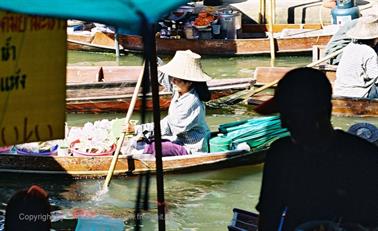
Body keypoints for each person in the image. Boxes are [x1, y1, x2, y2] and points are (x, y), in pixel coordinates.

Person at [254, 67, 378, 230]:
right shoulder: (280, 154)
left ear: (321, 113)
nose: (284, 124)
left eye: (291, 116)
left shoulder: (366, 158)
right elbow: (268, 218)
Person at [125, 50, 212, 156]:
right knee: (140, 141)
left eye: (177, 79)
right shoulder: (180, 89)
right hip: (178, 139)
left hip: (191, 147)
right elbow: (163, 76)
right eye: (173, 78)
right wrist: (153, 60)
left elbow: (168, 126)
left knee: (153, 147)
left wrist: (137, 129)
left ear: (189, 82)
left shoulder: (191, 102)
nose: (172, 81)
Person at [334, 15, 378, 98]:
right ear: (375, 38)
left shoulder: (349, 47)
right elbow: (375, 76)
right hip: (359, 94)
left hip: (339, 91)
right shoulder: (369, 52)